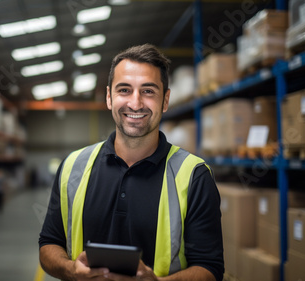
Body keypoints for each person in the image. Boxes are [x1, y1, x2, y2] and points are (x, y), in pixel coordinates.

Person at [39, 44, 224, 281]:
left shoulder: (194, 176)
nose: (135, 104)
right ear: (109, 97)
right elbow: (49, 244)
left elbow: (210, 269)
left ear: (165, 100)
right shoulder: (72, 167)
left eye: (148, 91)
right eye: (124, 90)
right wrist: (70, 269)